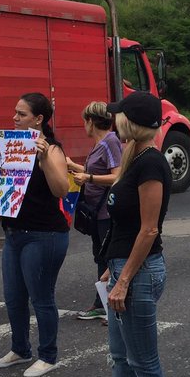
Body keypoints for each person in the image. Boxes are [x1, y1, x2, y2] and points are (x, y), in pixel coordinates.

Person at [75, 91, 174, 377]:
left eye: (118, 116)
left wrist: (124, 280)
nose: (113, 120)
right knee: (121, 359)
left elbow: (149, 229)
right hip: (121, 267)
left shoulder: (151, 164)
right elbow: (124, 224)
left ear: (131, 122)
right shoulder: (133, 157)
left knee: (144, 362)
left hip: (140, 272)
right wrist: (109, 271)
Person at [0, 92, 71, 377]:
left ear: (38, 119)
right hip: (14, 233)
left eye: (21, 114)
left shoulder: (52, 149)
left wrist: (44, 157)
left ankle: (48, 355)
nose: (14, 118)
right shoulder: (12, 147)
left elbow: (62, 189)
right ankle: (20, 349)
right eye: (15, 112)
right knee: (13, 296)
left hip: (44, 234)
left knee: (41, 297)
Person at [67, 102, 123, 323]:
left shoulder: (109, 142)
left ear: (91, 121)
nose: (84, 125)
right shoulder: (101, 143)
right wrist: (74, 166)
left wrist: (88, 178)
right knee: (101, 258)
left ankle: (112, 305)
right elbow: (95, 170)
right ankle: (102, 304)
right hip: (96, 212)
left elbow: (117, 176)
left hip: (106, 212)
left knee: (110, 259)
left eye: (85, 121)